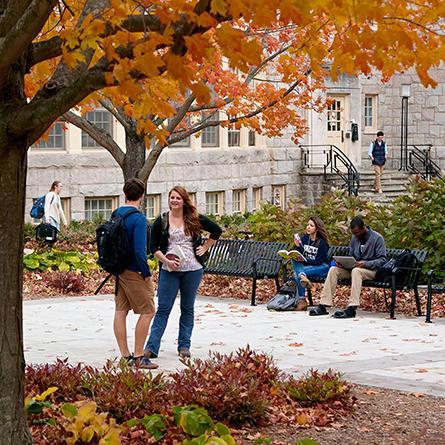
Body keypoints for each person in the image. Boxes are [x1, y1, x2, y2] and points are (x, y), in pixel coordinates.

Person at [144, 186, 222, 359]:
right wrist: (166, 261)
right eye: (172, 197)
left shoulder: (195, 219)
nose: (174, 201)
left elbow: (216, 231)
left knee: (187, 308)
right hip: (169, 269)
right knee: (164, 308)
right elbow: (153, 247)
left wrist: (205, 247)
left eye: (178, 198)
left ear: (184, 200)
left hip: (193, 270)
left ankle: (184, 346)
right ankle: (152, 347)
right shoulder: (162, 220)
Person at [113, 178, 158, 369]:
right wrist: (146, 273)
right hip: (134, 271)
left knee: (120, 311)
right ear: (142, 195)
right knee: (148, 311)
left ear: (125, 193)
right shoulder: (138, 218)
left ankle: (126, 356)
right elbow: (140, 251)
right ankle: (140, 356)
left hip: (118, 271)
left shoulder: (116, 213)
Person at [309, 216, 387, 319]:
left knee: (356, 271)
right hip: (354, 269)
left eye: (358, 233)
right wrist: (344, 263)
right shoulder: (355, 238)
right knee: (333, 270)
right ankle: (323, 305)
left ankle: (352, 308)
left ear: (364, 228)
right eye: (354, 234)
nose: (356, 236)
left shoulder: (377, 238)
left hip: (371, 271)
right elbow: (351, 256)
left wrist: (365, 263)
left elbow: (382, 260)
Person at [291, 217, 330, 311]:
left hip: (321, 268)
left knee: (297, 274)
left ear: (317, 228)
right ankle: (302, 276)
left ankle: (302, 301)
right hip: (308, 267)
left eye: (311, 226)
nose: (308, 227)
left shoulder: (322, 242)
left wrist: (304, 260)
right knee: (294, 259)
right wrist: (297, 246)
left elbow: (319, 261)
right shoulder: (305, 239)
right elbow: (300, 254)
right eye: (308, 225)